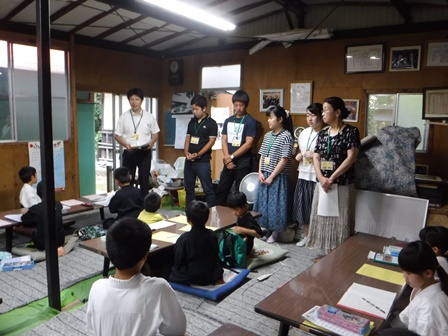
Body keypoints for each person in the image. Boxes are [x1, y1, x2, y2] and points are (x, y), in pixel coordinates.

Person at [86, 218, 187, 336]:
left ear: (109, 253)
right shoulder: (159, 288)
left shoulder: (97, 287)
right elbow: (177, 330)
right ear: (145, 256)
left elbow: (91, 329)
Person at [307, 97, 360, 254]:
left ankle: (340, 253)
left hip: (342, 183)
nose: (322, 113)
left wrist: (331, 178)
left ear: (337, 112)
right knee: (322, 218)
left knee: (341, 220)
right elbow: (316, 156)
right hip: (323, 184)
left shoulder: (351, 131)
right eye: (322, 110)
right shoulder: (323, 133)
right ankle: (324, 252)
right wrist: (322, 178)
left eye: (326, 109)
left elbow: (351, 158)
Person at [253, 105, 294, 243]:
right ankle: (267, 230)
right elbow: (262, 155)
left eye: (271, 118)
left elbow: (284, 159)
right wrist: (260, 172)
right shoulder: (267, 135)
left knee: (277, 205)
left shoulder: (287, 136)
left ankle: (275, 234)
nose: (269, 121)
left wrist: (271, 177)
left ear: (280, 119)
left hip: (278, 176)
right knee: (264, 204)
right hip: (265, 173)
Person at [213, 90, 258, 206]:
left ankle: (238, 219)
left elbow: (248, 144)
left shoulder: (250, 121)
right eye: (236, 105)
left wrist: (231, 157)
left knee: (240, 192)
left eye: (241, 105)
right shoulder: (228, 121)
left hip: (243, 161)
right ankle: (216, 217)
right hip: (228, 161)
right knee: (221, 190)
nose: (238, 108)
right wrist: (227, 157)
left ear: (246, 105)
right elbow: (223, 140)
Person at [114, 88, 160, 198]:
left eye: (137, 99)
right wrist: (126, 145)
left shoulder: (149, 117)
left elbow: (156, 133)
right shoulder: (123, 117)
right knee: (127, 179)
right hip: (129, 151)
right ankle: (128, 201)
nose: (134, 102)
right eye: (131, 99)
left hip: (145, 151)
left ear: (142, 100)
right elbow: (117, 135)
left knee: (144, 179)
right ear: (129, 101)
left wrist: (151, 143)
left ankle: (143, 204)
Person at [397, 240, 448, 336]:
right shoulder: (436, 284)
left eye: (409, 273)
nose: (405, 276)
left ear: (428, 273)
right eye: (403, 271)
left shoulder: (429, 314)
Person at [292, 103, 325, 247]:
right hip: (303, 173)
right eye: (307, 115)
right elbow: (300, 150)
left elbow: (331, 156)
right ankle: (306, 235)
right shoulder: (304, 133)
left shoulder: (327, 133)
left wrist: (316, 155)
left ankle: (317, 236)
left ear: (321, 116)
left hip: (318, 175)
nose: (310, 119)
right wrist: (299, 155)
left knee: (317, 207)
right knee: (303, 206)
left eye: (313, 115)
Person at [169, 200, 223, 285]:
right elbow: (215, 253)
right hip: (210, 273)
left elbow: (178, 260)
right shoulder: (212, 234)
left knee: (167, 269)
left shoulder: (184, 239)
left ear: (188, 219)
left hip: (193, 275)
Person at [184, 94, 218, 207]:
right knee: (188, 188)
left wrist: (198, 154)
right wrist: (186, 153)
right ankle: (190, 211)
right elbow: (187, 139)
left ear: (204, 109)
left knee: (207, 189)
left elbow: (211, 142)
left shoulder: (211, 123)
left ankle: (212, 211)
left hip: (202, 161)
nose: (194, 111)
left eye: (196, 109)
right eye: (193, 109)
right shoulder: (191, 122)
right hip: (189, 161)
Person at [21, 181, 68, 256]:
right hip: (60, 241)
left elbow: (25, 221)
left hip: (43, 244)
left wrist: (25, 213)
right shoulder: (58, 204)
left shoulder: (36, 208)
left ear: (38, 193)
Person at [226, 191, 263, 255]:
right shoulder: (240, 215)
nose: (234, 212)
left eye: (236, 210)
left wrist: (242, 229)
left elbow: (259, 233)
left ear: (245, 206)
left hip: (245, 248)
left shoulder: (249, 219)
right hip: (240, 242)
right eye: (232, 210)